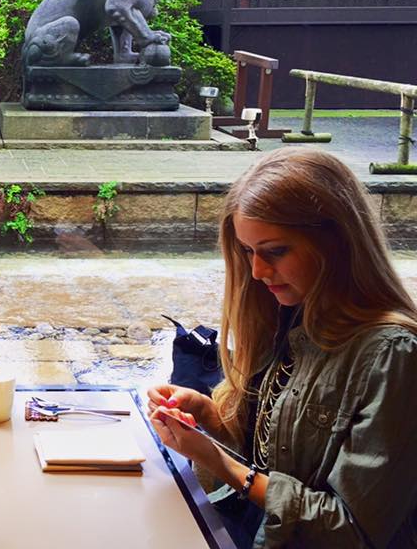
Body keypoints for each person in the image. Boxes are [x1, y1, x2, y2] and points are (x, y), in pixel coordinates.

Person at [148, 148, 417, 548]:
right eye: (247, 251)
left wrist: (215, 459)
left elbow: (352, 530)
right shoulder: (286, 317)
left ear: (337, 241)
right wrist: (207, 416)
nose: (256, 272)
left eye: (275, 251)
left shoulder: (393, 356)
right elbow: (271, 462)